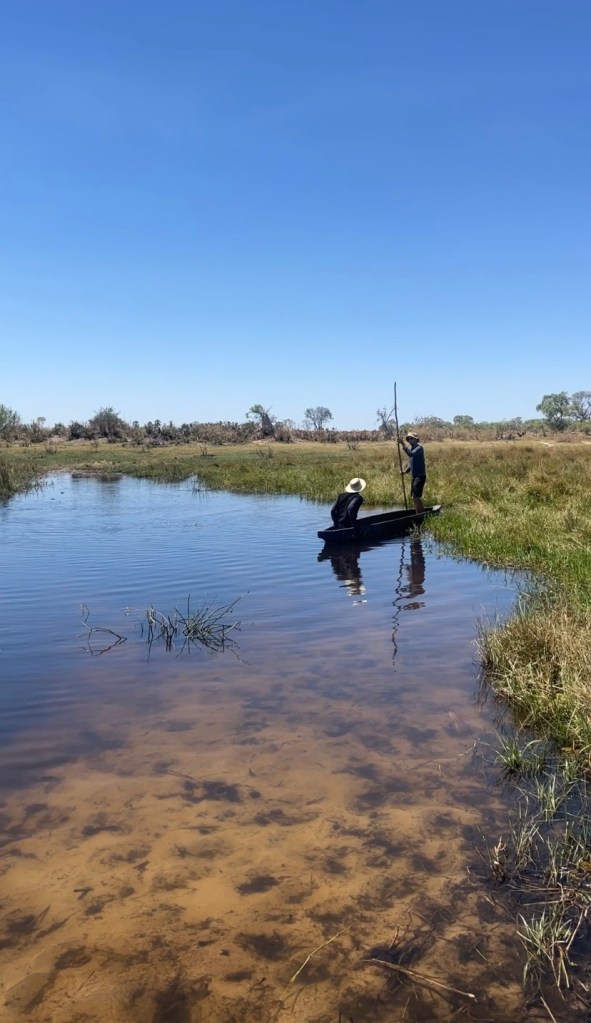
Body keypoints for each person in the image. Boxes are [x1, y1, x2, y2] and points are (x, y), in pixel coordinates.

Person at [397, 432, 426, 513]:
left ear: (416, 440)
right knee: (414, 497)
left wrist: (402, 444)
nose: (410, 440)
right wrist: (405, 471)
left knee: (416, 497)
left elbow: (411, 454)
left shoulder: (419, 448)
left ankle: (420, 513)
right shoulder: (412, 449)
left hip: (420, 476)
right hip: (414, 476)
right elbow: (411, 464)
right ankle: (419, 513)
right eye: (408, 439)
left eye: (411, 438)